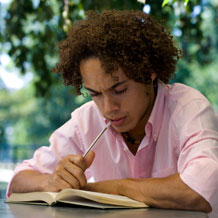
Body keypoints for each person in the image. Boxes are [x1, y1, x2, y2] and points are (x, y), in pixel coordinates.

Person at [7, 10, 218, 215]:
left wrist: (114, 189)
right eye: (95, 94)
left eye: (120, 90)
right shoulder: (87, 120)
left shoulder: (188, 108)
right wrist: (51, 181)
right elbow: (18, 180)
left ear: (149, 72)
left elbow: (198, 189)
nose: (108, 109)